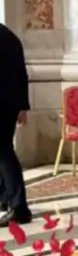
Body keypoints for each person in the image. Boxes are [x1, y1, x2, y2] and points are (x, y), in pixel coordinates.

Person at [0, 23, 32, 227]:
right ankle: (6, 198)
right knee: (3, 150)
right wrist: (22, 106)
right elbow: (22, 73)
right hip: (10, 104)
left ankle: (19, 207)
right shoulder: (11, 36)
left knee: (3, 151)